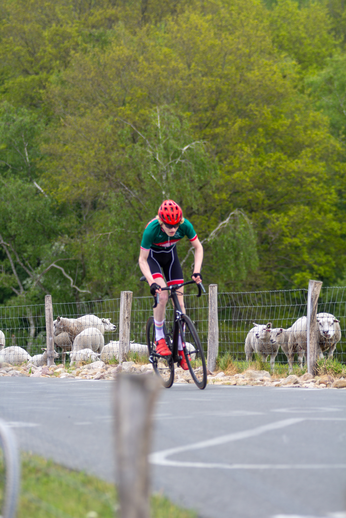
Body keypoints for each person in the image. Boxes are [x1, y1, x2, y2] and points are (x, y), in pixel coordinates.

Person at [138, 199, 203, 370]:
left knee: (180, 303)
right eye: (168, 225)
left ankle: (181, 347)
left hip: (170, 258)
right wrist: (152, 282)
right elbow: (142, 260)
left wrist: (196, 271)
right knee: (163, 295)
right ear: (161, 221)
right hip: (152, 259)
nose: (173, 229)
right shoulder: (151, 229)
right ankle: (159, 337)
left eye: (175, 225)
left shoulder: (185, 225)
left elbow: (198, 247)